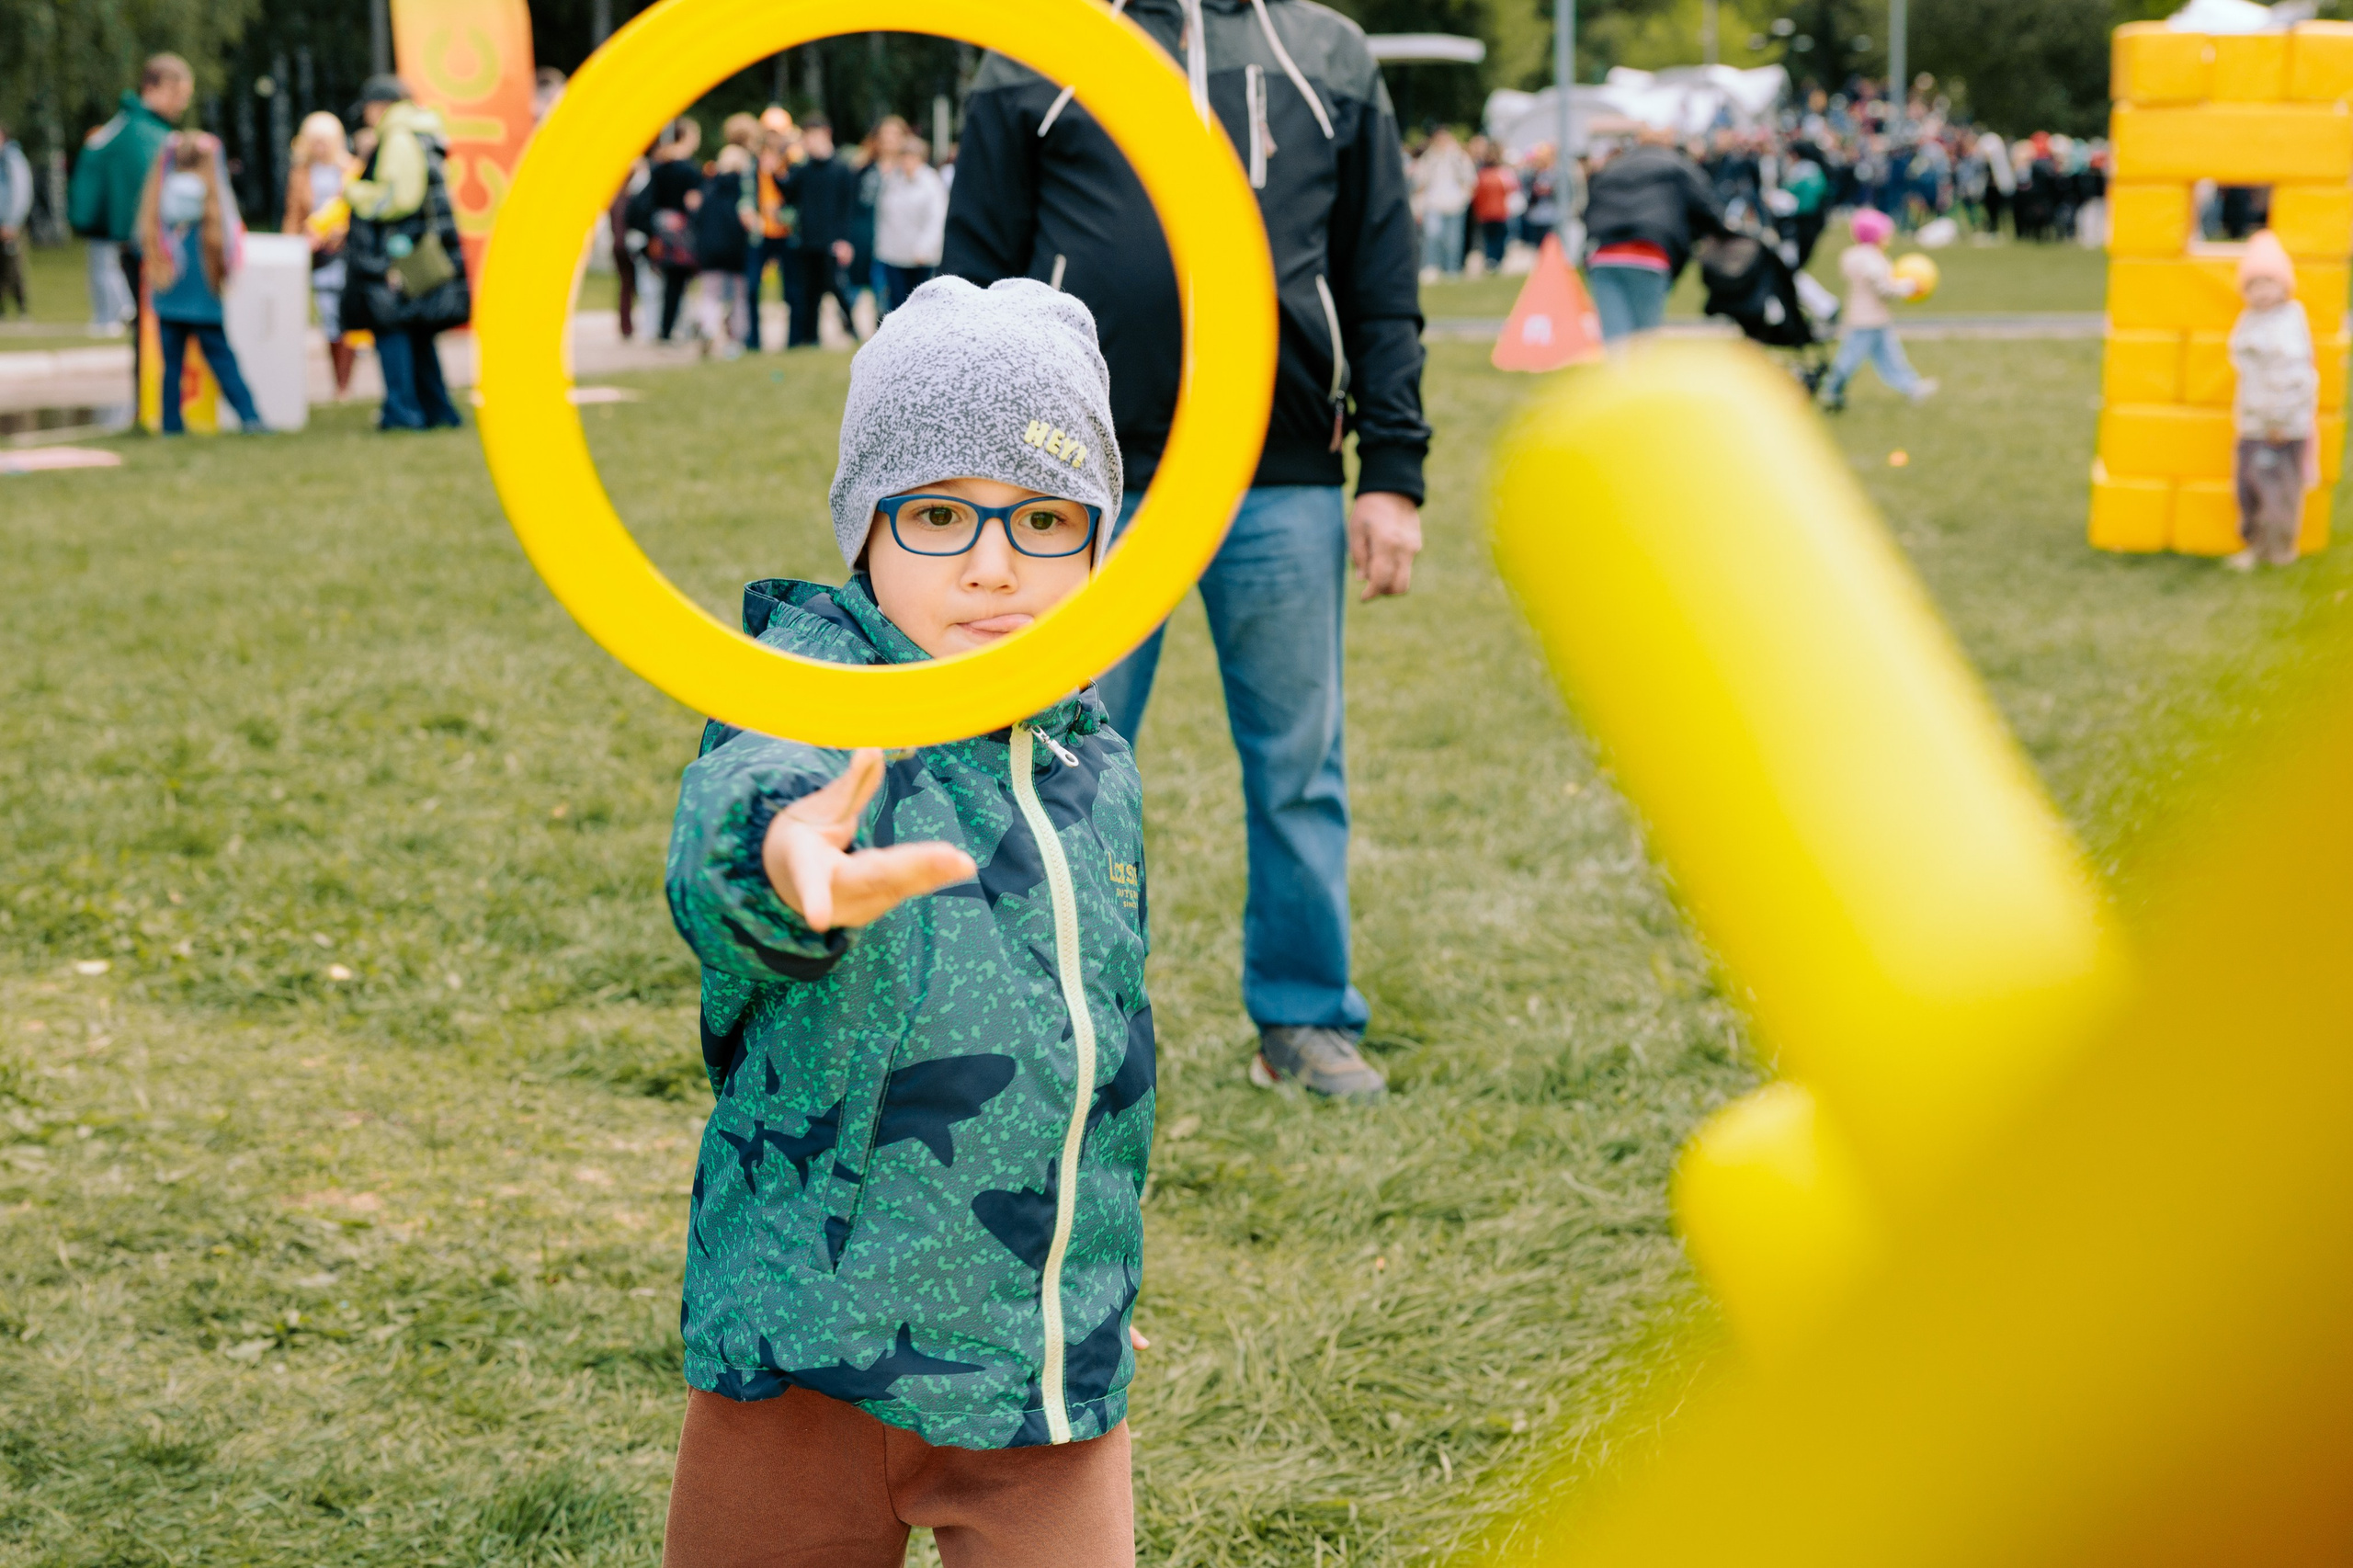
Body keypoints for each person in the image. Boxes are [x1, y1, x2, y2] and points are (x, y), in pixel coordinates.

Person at [658, 278, 1151, 1568]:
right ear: (864, 534)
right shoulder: (811, 697)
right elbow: (742, 807)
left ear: (1099, 545)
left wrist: (1086, 1271)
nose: (993, 562)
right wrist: (783, 861)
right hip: (806, 1361)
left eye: (1044, 518)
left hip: (1041, 1379)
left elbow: (1098, 1056)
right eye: (938, 514)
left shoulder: (1092, 759)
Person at [945, 0, 1427, 1099]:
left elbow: (1380, 274)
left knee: (1299, 767)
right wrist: (971, 481)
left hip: (1279, 469)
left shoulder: (1328, 53)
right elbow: (966, 284)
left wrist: (1393, 470)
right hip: (1076, 482)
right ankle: (1026, 1023)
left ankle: (1303, 1018)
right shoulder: (1038, 46)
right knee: (1044, 761)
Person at [343, 74, 471, 432]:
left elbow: (398, 199)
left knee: (393, 327)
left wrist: (353, 191)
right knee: (419, 331)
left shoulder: (398, 137)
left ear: (381, 107)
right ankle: (438, 410)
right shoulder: (423, 133)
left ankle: (402, 412)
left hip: (397, 253)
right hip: (416, 248)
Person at [69, 53, 192, 404]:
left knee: (149, 328)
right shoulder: (142, 133)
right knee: (153, 328)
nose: (182, 104)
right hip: (146, 247)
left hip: (137, 243)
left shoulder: (134, 127)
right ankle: (153, 403)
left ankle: (152, 404)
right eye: (177, 94)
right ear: (154, 88)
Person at [138, 132, 266, 435]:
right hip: (204, 294)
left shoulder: (160, 194)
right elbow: (230, 244)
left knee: (171, 366)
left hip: (169, 292)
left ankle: (171, 425)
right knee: (223, 361)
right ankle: (250, 418)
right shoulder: (212, 198)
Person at [2223, 231, 2320, 572]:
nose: (2261, 292)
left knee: (2275, 490)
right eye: (2253, 285)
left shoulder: (2287, 324)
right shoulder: (2252, 319)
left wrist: (2278, 421)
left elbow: (2295, 378)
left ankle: (2276, 550)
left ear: (2284, 286)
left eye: (2269, 282)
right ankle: (2256, 545)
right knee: (2249, 487)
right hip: (2254, 423)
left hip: (2278, 427)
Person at [1580, 126, 1726, 342]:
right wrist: (1722, 234)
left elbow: (1589, 209)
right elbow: (1706, 208)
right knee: (1645, 338)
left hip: (1604, 254)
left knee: (1614, 339)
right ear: (1668, 142)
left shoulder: (1613, 166)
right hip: (1650, 252)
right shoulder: (1677, 166)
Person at [1820, 207, 1936, 412]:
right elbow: (1884, 288)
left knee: (1890, 357)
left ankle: (1912, 386)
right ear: (1875, 236)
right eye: (1886, 235)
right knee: (1850, 358)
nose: (1888, 240)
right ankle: (1831, 388)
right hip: (1866, 321)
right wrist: (1908, 286)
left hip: (1874, 319)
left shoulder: (1857, 257)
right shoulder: (1871, 260)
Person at [283, 110, 358, 398]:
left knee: (345, 314)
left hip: (345, 252)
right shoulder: (302, 173)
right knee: (328, 315)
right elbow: (294, 213)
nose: (319, 147)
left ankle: (344, 384)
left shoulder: (351, 169)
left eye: (324, 141)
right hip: (317, 254)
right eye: (314, 141)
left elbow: (360, 209)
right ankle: (337, 382)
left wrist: (342, 231)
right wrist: (292, 246)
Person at [782, 115, 859, 347]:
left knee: (835, 286)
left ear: (826, 134)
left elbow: (848, 208)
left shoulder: (842, 169)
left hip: (832, 240)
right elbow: (788, 194)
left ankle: (853, 327)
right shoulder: (803, 169)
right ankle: (810, 337)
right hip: (808, 239)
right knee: (809, 292)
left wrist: (844, 240)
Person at [645, 119, 705, 341]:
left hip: (661, 231)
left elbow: (650, 201)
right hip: (683, 233)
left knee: (668, 283)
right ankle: (674, 329)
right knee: (681, 283)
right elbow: (694, 203)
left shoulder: (659, 167)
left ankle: (666, 327)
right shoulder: (691, 170)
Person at [745, 110, 799, 352]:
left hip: (787, 232)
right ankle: (753, 340)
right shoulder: (753, 162)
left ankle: (794, 341)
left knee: (792, 290)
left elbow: (795, 195)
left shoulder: (794, 161)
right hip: (760, 233)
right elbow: (746, 194)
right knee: (752, 287)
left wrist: (777, 172)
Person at [872, 137, 947, 313]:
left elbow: (936, 219)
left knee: (920, 306)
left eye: (911, 157)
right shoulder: (892, 180)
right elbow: (883, 215)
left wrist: (924, 247)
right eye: (903, 157)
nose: (907, 162)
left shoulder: (931, 182)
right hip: (893, 254)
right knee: (896, 303)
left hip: (920, 258)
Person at [693, 142, 752, 358]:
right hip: (736, 250)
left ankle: (708, 328)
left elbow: (698, 218)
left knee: (711, 294)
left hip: (710, 249)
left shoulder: (709, 187)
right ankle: (736, 340)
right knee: (738, 297)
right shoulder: (743, 189)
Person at [1414, 126, 1475, 277]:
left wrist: (1463, 197)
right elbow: (1420, 182)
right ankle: (1431, 267)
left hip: (1454, 204)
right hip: (1433, 203)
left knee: (1453, 240)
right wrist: (1419, 203)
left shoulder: (1459, 157)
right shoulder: (1429, 158)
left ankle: (1452, 269)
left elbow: (1470, 179)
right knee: (1432, 237)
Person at [1469, 140, 1518, 274]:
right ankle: (1495, 261)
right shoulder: (1502, 173)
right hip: (1499, 211)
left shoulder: (1482, 174)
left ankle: (1492, 260)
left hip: (1489, 212)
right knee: (1498, 237)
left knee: (1491, 238)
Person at [0, 121, 31, 316]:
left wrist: (12, 222)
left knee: (13, 266)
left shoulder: (12, 159)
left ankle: (22, 308)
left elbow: (21, 192)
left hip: (9, 224)